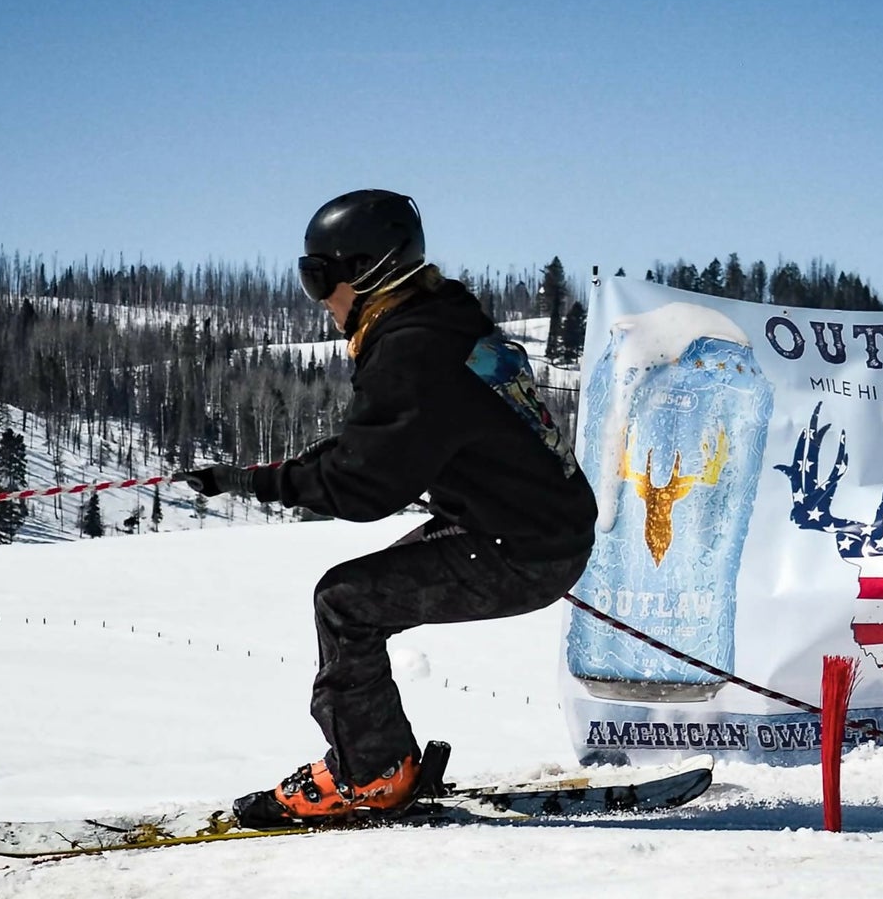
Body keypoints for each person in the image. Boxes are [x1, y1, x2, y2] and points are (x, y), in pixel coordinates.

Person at [178, 189, 596, 825]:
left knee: (345, 604)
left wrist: (262, 484)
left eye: (319, 277)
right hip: (527, 527)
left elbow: (364, 486)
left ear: (367, 271)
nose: (318, 298)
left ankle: (370, 777)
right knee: (351, 601)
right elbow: (375, 448)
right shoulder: (438, 319)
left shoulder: (412, 351)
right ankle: (378, 764)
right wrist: (260, 477)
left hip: (522, 545)